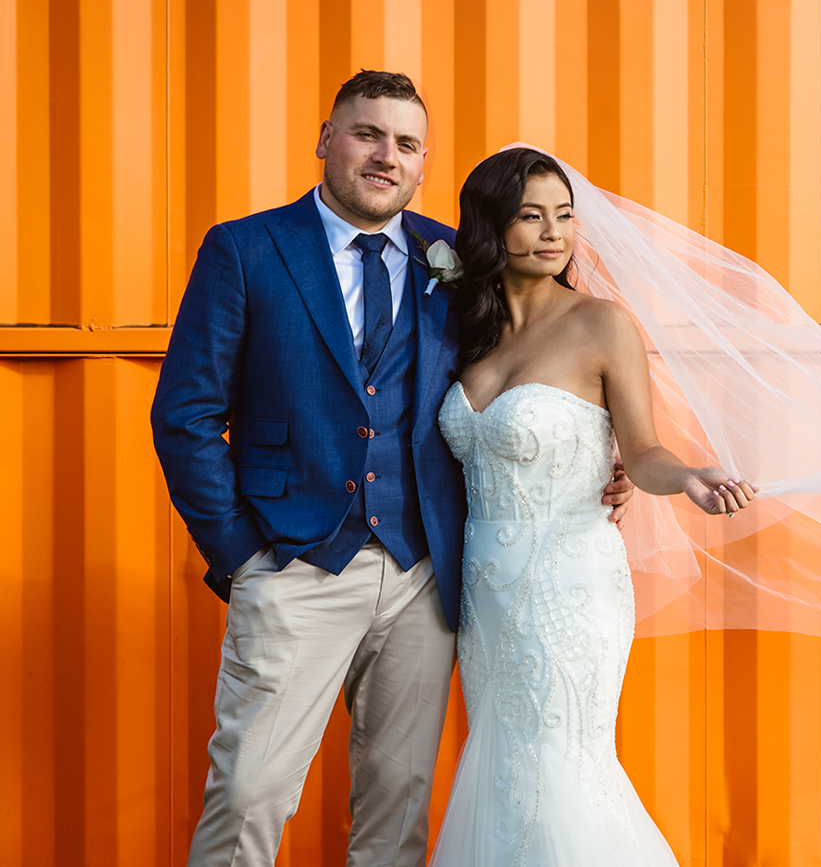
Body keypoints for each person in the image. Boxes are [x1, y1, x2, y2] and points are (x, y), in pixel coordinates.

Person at [150, 73, 634, 867]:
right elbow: (186, 415)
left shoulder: (454, 259)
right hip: (294, 564)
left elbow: (530, 367)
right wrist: (241, 555)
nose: (386, 156)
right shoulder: (246, 248)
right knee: (248, 795)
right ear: (325, 139)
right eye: (367, 133)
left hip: (423, 575)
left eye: (406, 143)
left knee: (397, 807)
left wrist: (598, 448)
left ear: (422, 162)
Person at [429, 148, 754, 864]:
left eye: (565, 215)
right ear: (489, 228)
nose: (554, 233)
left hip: (569, 588)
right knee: (505, 766)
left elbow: (643, 449)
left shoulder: (602, 324)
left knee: (560, 762)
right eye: (530, 216)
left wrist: (688, 476)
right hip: (484, 601)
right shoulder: (466, 333)